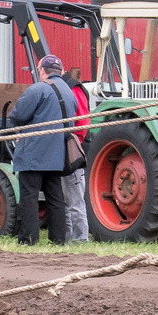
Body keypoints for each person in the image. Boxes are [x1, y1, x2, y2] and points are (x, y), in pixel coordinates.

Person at [6, 54, 77, 246]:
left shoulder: (38, 89)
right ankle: (58, 240)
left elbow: (18, 115)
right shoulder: (70, 92)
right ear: (59, 71)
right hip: (57, 156)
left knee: (29, 197)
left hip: (33, 155)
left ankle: (28, 239)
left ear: (42, 71)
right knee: (56, 199)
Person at [63, 67, 92, 242]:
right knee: (68, 199)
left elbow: (82, 120)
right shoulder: (72, 87)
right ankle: (67, 238)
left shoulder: (72, 88)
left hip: (72, 147)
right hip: (69, 145)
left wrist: (74, 143)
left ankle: (80, 239)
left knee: (74, 199)